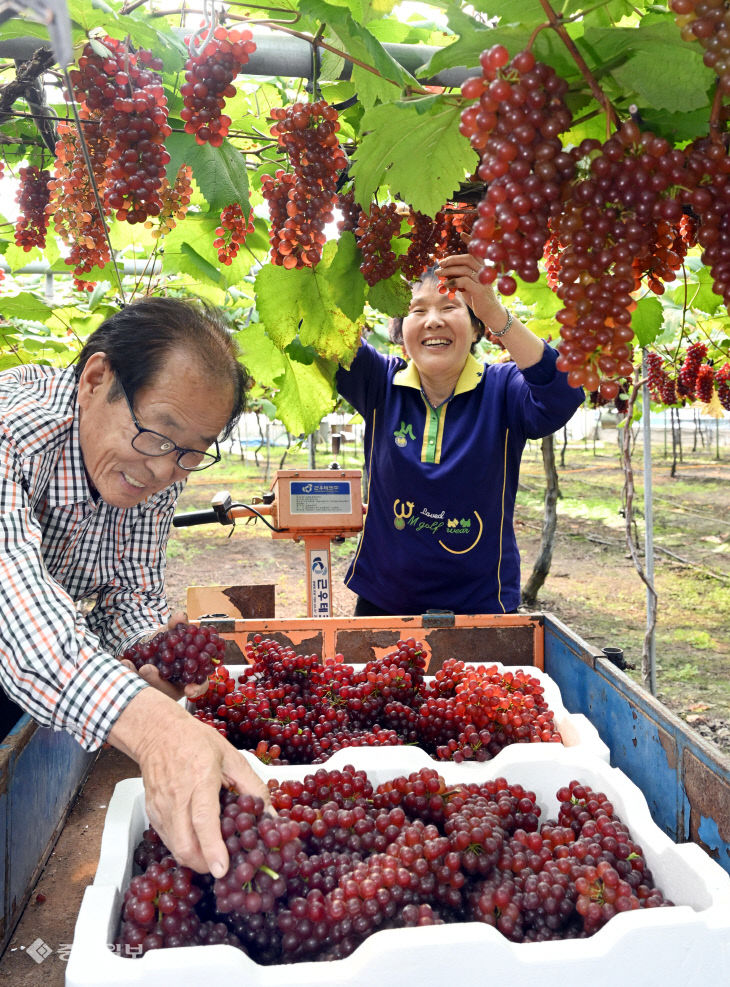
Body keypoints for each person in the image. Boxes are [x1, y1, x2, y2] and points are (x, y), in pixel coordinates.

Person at [0, 295, 270, 879]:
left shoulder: (160, 463)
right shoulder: (11, 432)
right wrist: (152, 727)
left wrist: (153, 641)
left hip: (36, 675)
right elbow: (15, 615)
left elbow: (130, 593)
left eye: (192, 454)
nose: (163, 470)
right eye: (159, 436)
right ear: (96, 379)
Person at [335, 252, 585, 617]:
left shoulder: (503, 388)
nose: (432, 321)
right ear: (400, 331)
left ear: (476, 326)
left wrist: (496, 312)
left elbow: (563, 393)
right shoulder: (379, 382)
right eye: (417, 311)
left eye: (450, 308)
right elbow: (318, 322)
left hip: (480, 607)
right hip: (383, 603)